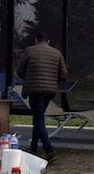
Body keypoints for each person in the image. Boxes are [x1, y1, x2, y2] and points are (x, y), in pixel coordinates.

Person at [15, 31, 68, 162]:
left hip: (34, 90)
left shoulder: (29, 51)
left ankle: (49, 151)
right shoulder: (57, 53)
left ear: (36, 40)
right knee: (38, 118)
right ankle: (33, 147)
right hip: (49, 91)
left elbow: (20, 71)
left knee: (39, 120)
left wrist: (29, 76)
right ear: (48, 41)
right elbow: (63, 74)